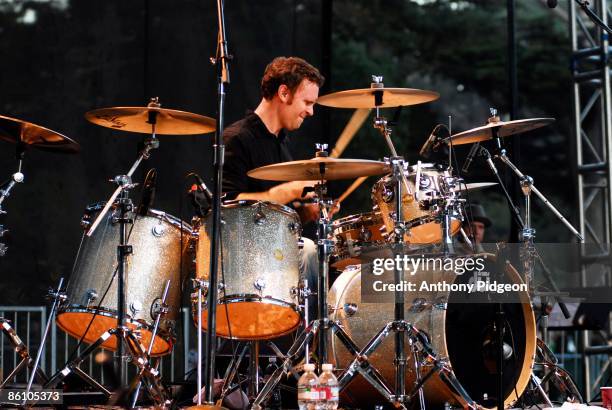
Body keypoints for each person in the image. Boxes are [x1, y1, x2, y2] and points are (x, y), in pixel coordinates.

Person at [222, 56, 325, 321]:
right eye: (307, 102)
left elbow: (278, 217)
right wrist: (285, 192)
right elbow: (227, 207)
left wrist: (305, 212)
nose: (311, 111)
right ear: (283, 93)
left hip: (276, 251)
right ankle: (308, 345)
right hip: (244, 259)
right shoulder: (237, 139)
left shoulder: (281, 146)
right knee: (310, 251)